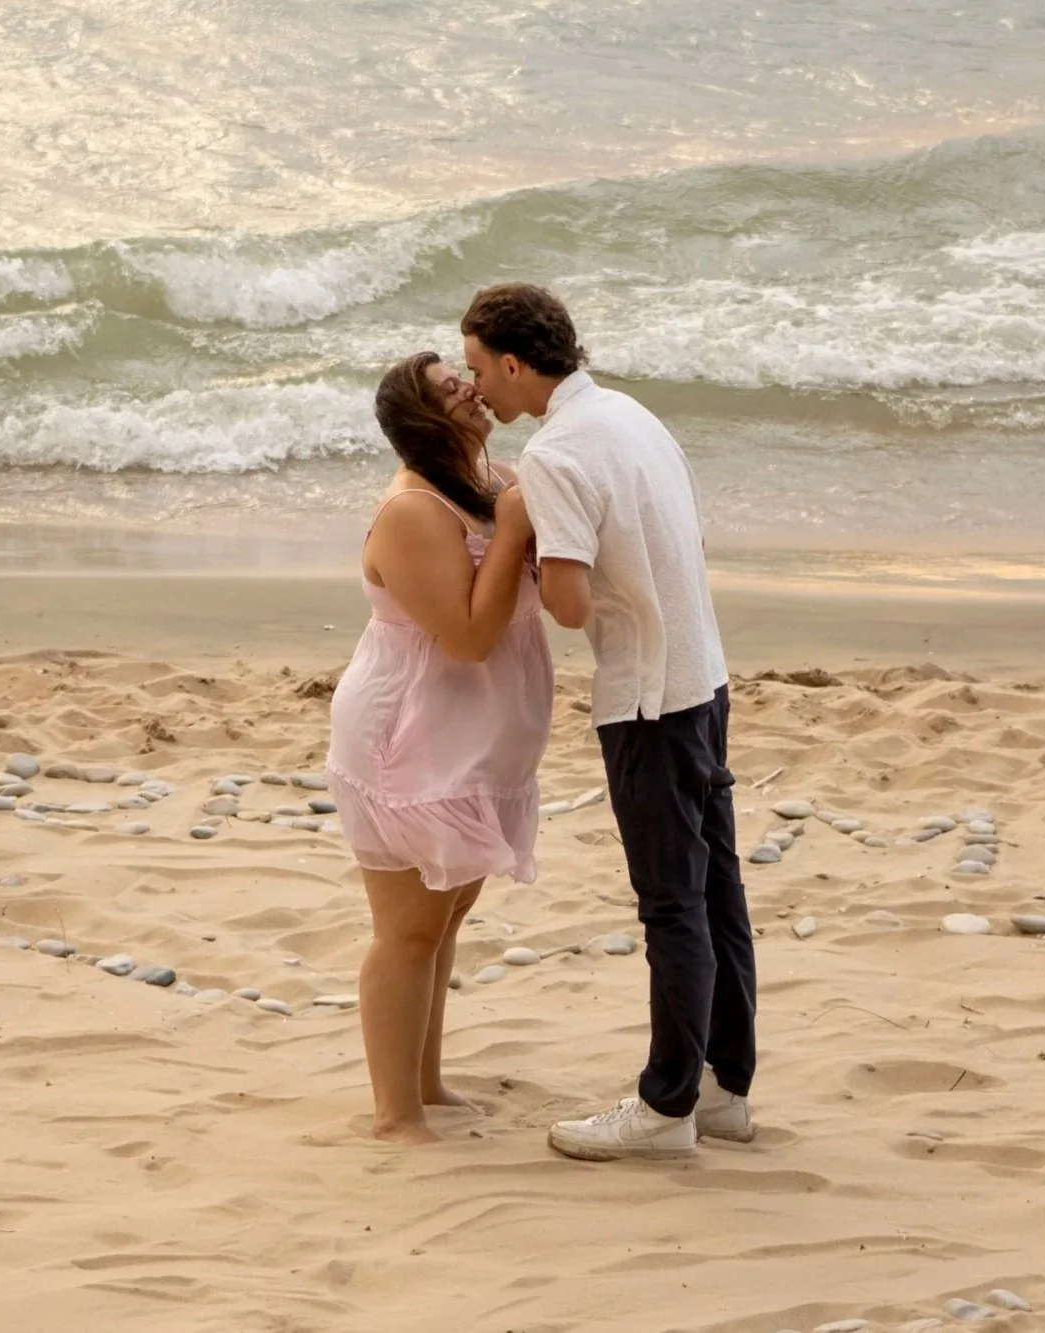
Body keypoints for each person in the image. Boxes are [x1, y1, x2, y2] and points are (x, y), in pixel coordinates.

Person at [459, 283, 757, 1161]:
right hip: (705, 675)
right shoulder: (631, 413)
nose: (476, 388)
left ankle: (665, 1107)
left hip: (648, 698)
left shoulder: (553, 456)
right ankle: (724, 1090)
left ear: (515, 363)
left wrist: (518, 526)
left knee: (673, 906)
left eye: (478, 369)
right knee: (718, 894)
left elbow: (571, 605)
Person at [324, 350, 554, 1146]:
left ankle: (424, 1082)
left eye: (464, 374)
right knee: (409, 927)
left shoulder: (485, 484)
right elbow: (463, 637)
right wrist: (520, 523)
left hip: (473, 736)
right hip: (409, 733)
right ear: (424, 419)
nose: (471, 387)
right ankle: (396, 1115)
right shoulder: (414, 512)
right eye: (451, 387)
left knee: (449, 911)